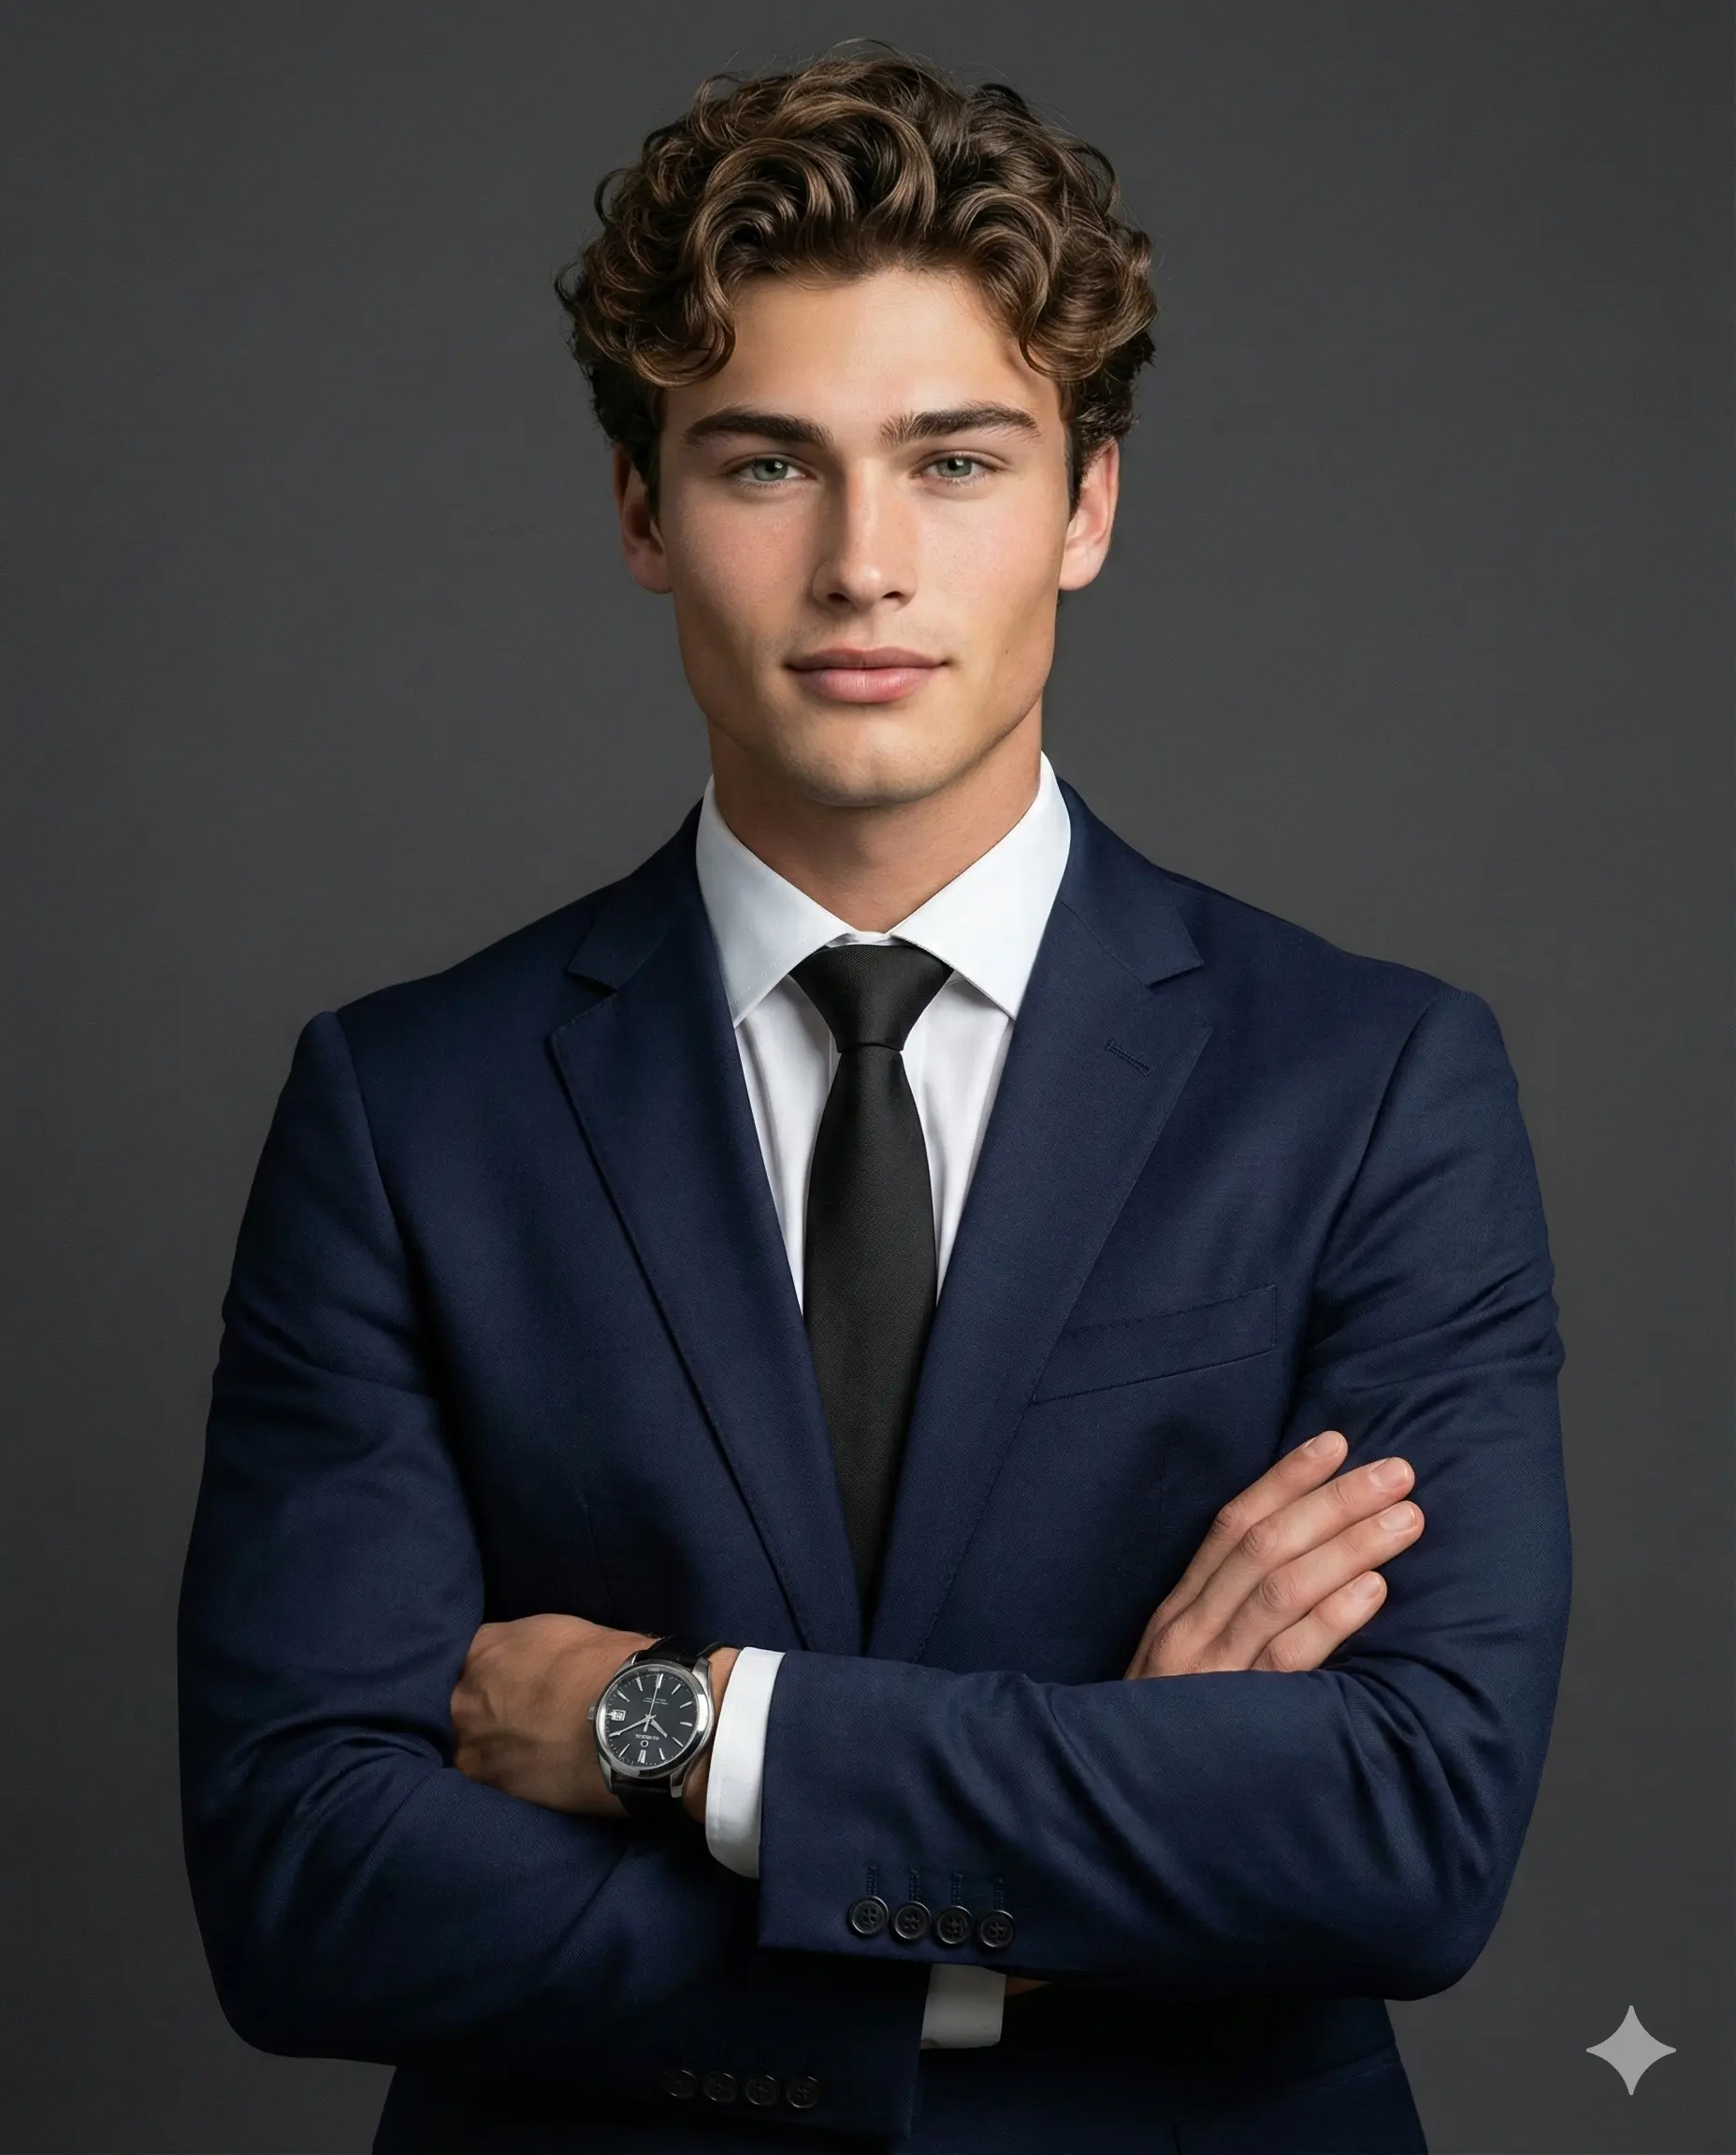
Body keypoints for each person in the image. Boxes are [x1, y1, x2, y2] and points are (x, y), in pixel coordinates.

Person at [177, 44, 1571, 2155]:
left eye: (954, 461)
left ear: (1086, 503)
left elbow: (1402, 1827)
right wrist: (1042, 1898)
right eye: (763, 465)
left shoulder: (1372, 1084)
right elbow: (304, 1881)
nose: (861, 565)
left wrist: (687, 1733)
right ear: (642, 511)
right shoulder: (405, 1106)